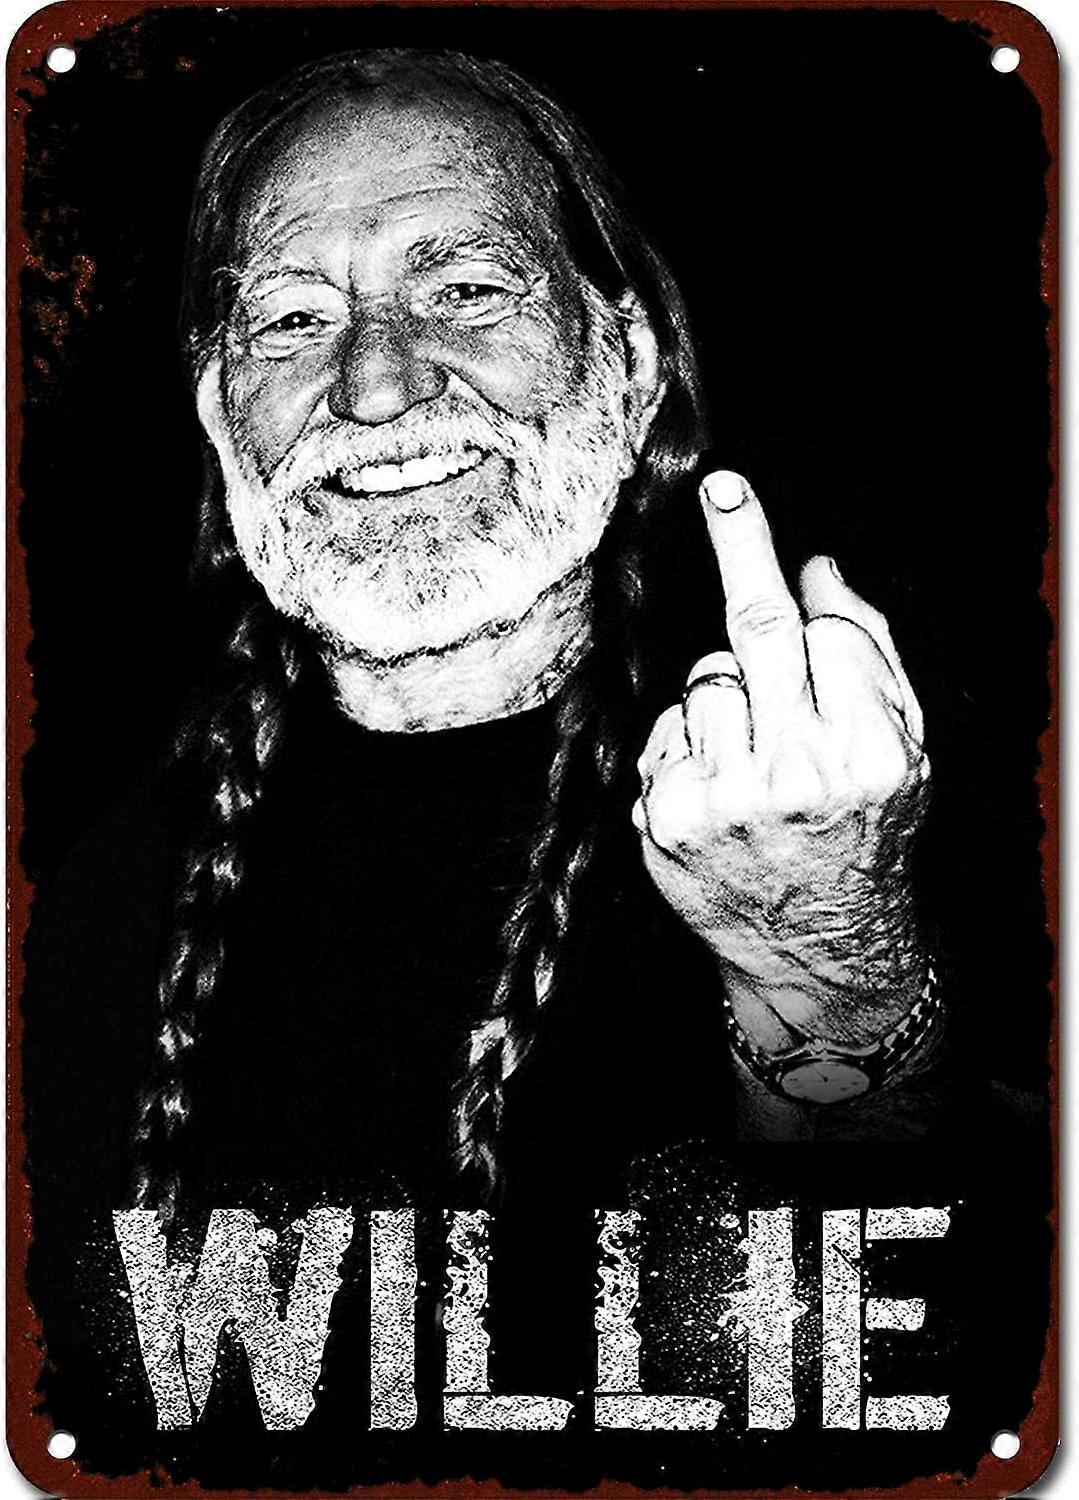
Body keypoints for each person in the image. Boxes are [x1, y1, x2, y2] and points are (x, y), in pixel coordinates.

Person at [21, 46, 1029, 1488]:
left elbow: (953, 1380)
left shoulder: (853, 755)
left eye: (470, 292)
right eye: (292, 319)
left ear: (631, 361)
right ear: (216, 413)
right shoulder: (91, 899)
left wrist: (822, 946)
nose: (375, 385)